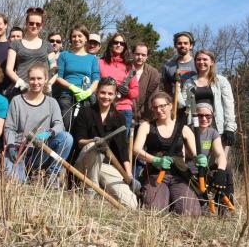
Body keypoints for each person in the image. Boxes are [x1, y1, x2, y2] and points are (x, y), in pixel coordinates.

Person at [133, 91, 204, 216]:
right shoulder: (146, 126)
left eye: (162, 106)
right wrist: (156, 160)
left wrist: (200, 158)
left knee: (191, 214)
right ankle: (164, 199)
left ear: (170, 106)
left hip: (180, 177)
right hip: (156, 176)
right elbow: (136, 150)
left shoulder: (184, 128)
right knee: (155, 211)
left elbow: (196, 154)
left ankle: (173, 200)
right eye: (155, 107)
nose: (159, 110)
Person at [73, 77, 138, 208]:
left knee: (131, 204)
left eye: (110, 94)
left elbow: (123, 150)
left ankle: (101, 190)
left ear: (115, 95)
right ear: (97, 92)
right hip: (85, 162)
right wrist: (94, 141)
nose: (106, 97)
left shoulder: (119, 118)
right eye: (103, 92)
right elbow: (80, 142)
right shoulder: (86, 112)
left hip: (105, 165)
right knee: (94, 146)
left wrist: (129, 175)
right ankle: (91, 191)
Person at [4, 63, 73, 187]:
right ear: (28, 80)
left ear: (46, 79)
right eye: (32, 78)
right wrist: (11, 146)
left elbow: (59, 125)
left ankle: (52, 174)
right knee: (17, 183)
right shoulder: (17, 101)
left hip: (41, 150)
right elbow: (9, 128)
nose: (36, 82)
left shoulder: (52, 103)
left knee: (67, 138)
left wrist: (48, 133)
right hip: (19, 150)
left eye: (39, 78)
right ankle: (27, 173)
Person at [180, 50, 236, 153]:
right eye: (198, 59)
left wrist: (230, 128)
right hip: (195, 128)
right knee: (196, 161)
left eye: (205, 59)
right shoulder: (189, 82)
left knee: (216, 163)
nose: (201, 62)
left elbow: (229, 106)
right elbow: (183, 104)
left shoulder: (221, 81)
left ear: (212, 62)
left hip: (217, 128)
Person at [55, 25, 100, 131]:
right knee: (67, 125)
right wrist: (72, 87)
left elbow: (96, 79)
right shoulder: (64, 55)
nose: (77, 39)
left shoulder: (92, 58)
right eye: (74, 36)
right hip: (67, 96)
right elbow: (58, 77)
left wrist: (88, 92)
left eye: (80, 36)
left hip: (86, 98)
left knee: (83, 128)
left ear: (86, 39)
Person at [5, 8, 55, 98]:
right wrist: (21, 83)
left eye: (38, 24)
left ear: (42, 25)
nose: (34, 26)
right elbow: (9, 69)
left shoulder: (47, 45)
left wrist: (49, 83)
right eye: (31, 23)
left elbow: (54, 68)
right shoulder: (16, 44)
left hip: (43, 91)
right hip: (21, 90)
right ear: (26, 24)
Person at [195, 103, 233, 210]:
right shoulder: (188, 130)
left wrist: (220, 171)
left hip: (204, 170)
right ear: (194, 116)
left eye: (208, 116)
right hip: (190, 172)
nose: (204, 118)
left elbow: (220, 154)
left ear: (212, 117)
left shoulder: (213, 133)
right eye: (200, 115)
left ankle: (226, 206)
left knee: (226, 168)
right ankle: (206, 203)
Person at [98, 33, 138, 131]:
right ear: (111, 44)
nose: (119, 45)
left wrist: (127, 91)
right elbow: (96, 84)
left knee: (121, 144)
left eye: (122, 43)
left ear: (125, 46)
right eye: (116, 42)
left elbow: (136, 91)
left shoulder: (129, 66)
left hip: (124, 108)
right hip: (104, 107)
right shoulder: (100, 62)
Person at [162, 31, 197, 96]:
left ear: (191, 46)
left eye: (185, 43)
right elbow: (167, 91)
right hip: (175, 103)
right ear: (175, 45)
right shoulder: (168, 66)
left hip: (195, 103)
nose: (182, 45)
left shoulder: (198, 64)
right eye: (179, 43)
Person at [132, 42, 160, 122]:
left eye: (143, 55)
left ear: (147, 56)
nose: (140, 57)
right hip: (125, 115)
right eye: (137, 54)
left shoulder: (153, 73)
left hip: (144, 117)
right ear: (133, 54)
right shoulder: (125, 69)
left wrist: (147, 119)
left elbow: (153, 97)